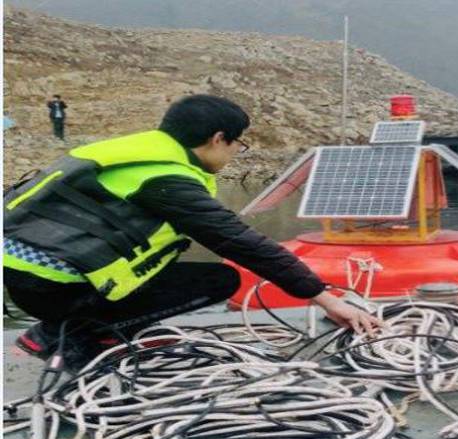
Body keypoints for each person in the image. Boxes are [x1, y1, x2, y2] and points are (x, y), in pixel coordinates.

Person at [4, 94, 379, 366]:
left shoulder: (136, 151)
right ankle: (62, 334)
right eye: (237, 145)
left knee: (168, 268)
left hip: (25, 276)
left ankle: (93, 328)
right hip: (55, 289)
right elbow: (237, 240)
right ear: (218, 138)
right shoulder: (166, 178)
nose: (234, 154)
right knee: (219, 280)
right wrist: (325, 298)